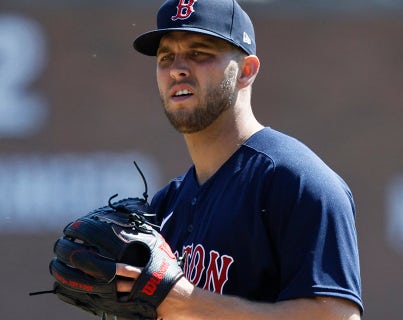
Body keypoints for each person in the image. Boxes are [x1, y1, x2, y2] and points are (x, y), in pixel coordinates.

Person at [119, 0, 364, 319]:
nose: (177, 68)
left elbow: (337, 317)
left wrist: (181, 300)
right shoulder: (166, 207)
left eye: (199, 53)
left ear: (246, 71)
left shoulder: (297, 182)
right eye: (166, 57)